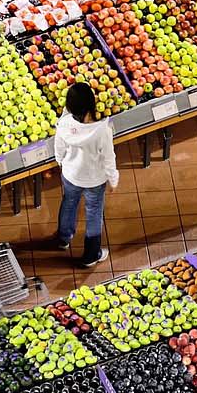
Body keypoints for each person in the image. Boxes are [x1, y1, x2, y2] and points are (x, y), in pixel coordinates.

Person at [51, 82, 118, 268]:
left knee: (69, 202)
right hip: (94, 180)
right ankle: (91, 255)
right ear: (92, 104)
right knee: (94, 213)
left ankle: (63, 238)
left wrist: (61, 162)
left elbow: (59, 148)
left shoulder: (64, 124)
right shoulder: (102, 130)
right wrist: (113, 179)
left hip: (71, 174)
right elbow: (108, 158)